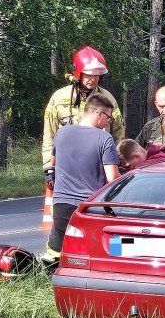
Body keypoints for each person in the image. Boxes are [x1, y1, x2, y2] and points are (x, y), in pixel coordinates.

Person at [42, 94, 120, 268]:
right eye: (108, 116)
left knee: (61, 248)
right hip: (89, 207)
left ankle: (54, 279)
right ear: (99, 113)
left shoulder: (61, 133)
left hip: (61, 204)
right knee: (104, 247)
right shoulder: (104, 138)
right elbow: (112, 179)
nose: (109, 122)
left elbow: (53, 164)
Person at [42, 46, 124, 183]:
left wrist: (118, 165)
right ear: (78, 73)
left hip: (98, 171)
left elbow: (118, 135)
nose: (93, 79)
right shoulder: (59, 98)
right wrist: (50, 168)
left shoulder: (108, 99)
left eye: (96, 75)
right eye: (89, 74)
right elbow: (49, 135)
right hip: (66, 169)